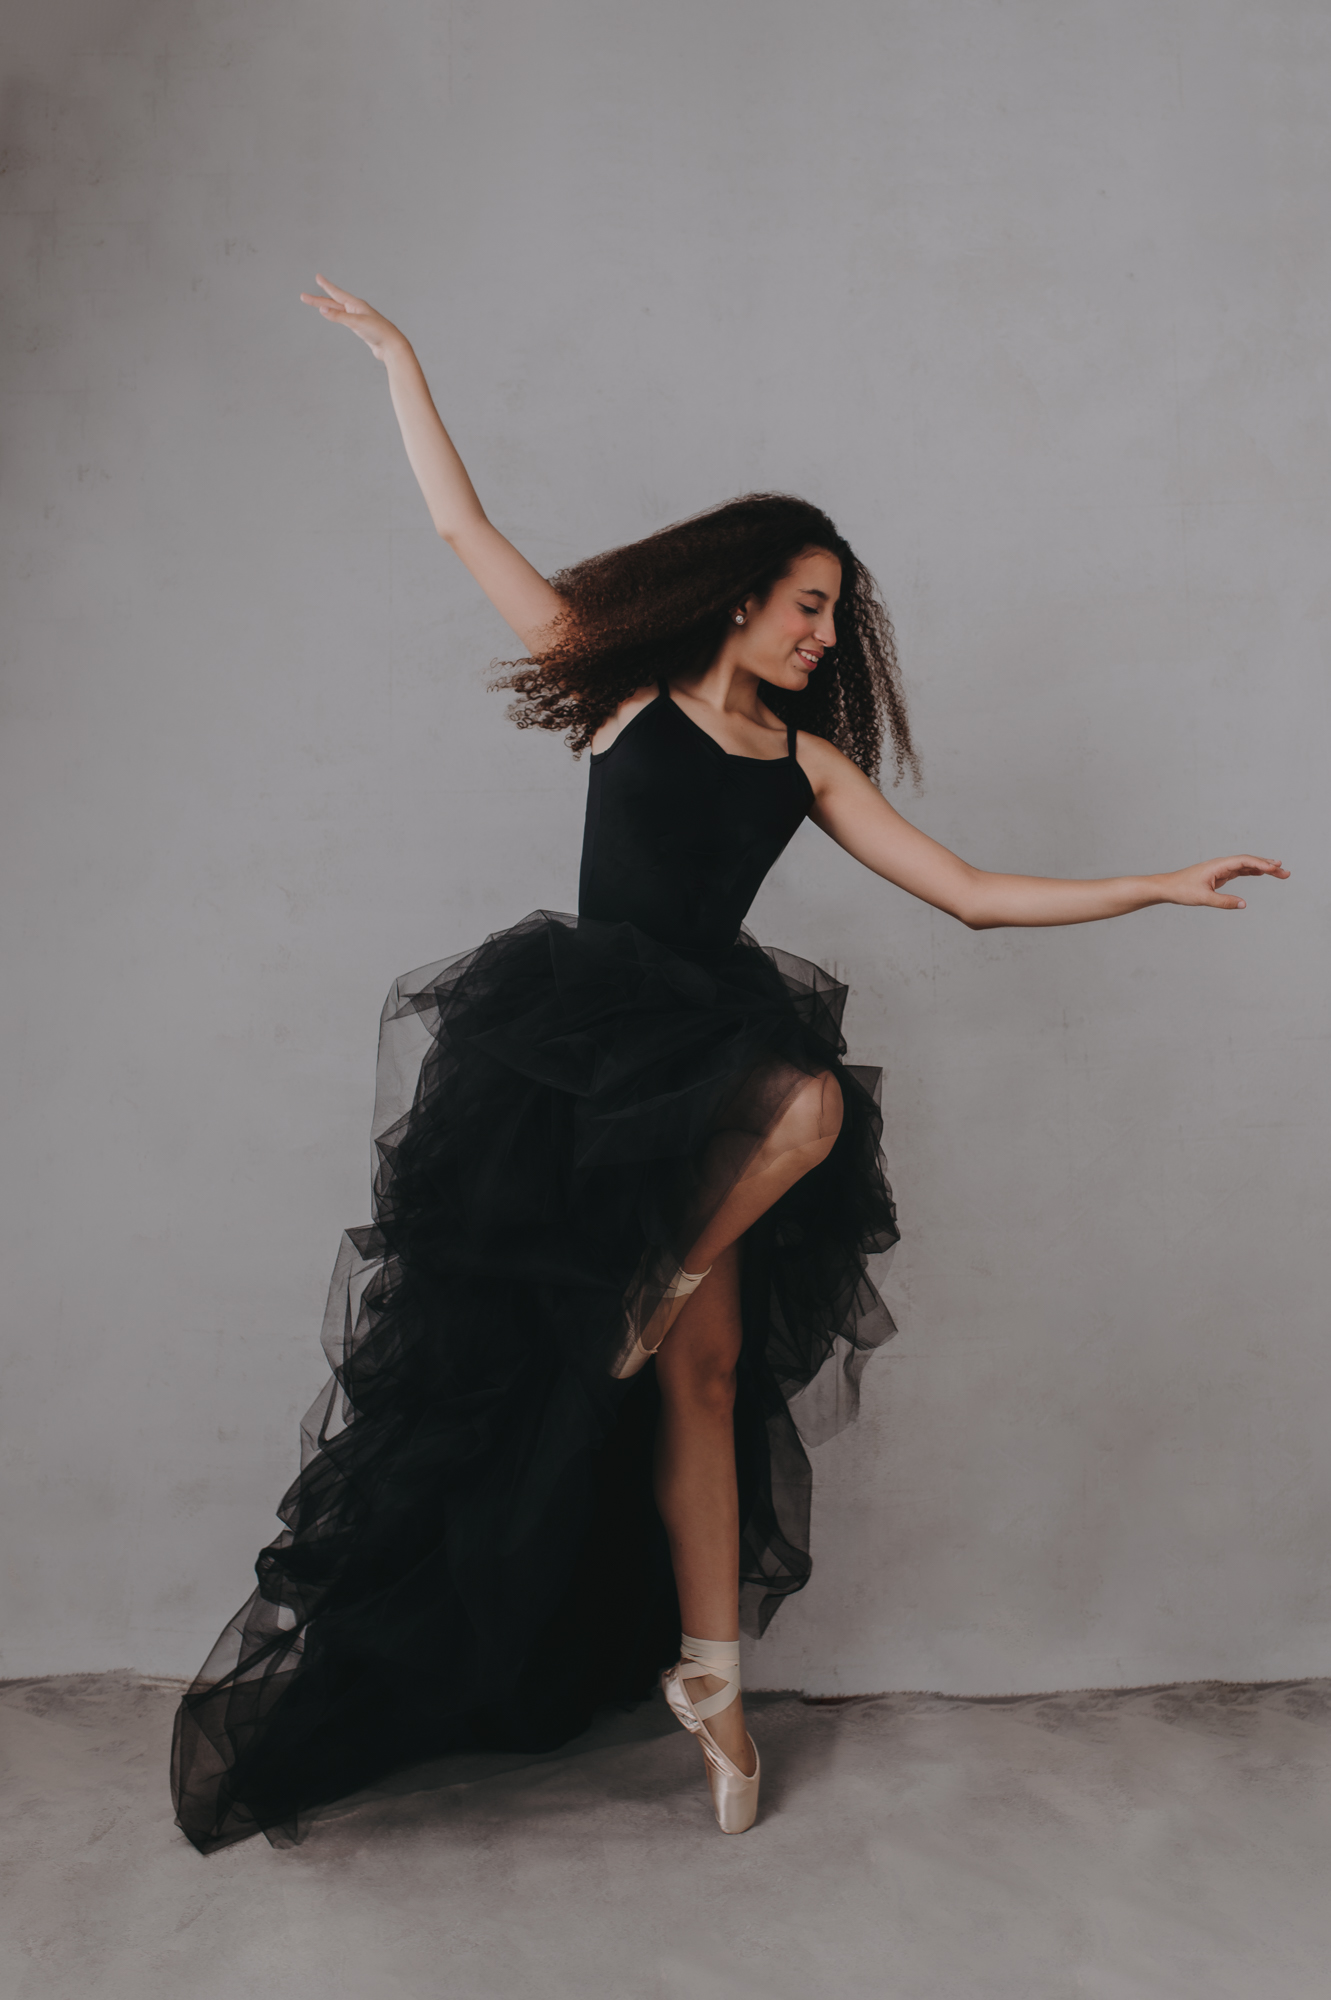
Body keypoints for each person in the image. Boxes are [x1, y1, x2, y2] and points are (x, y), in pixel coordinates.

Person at [171, 277, 1289, 1853]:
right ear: (743, 599)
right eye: (813, 604)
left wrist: (1156, 882)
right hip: (577, 1073)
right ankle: (430, 1622)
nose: (830, 633)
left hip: (719, 1077)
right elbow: (462, 535)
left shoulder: (808, 761)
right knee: (517, 1371)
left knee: (712, 1350)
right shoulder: (620, 687)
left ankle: (711, 1678)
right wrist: (402, 365)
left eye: (837, 613)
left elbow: (966, 893)